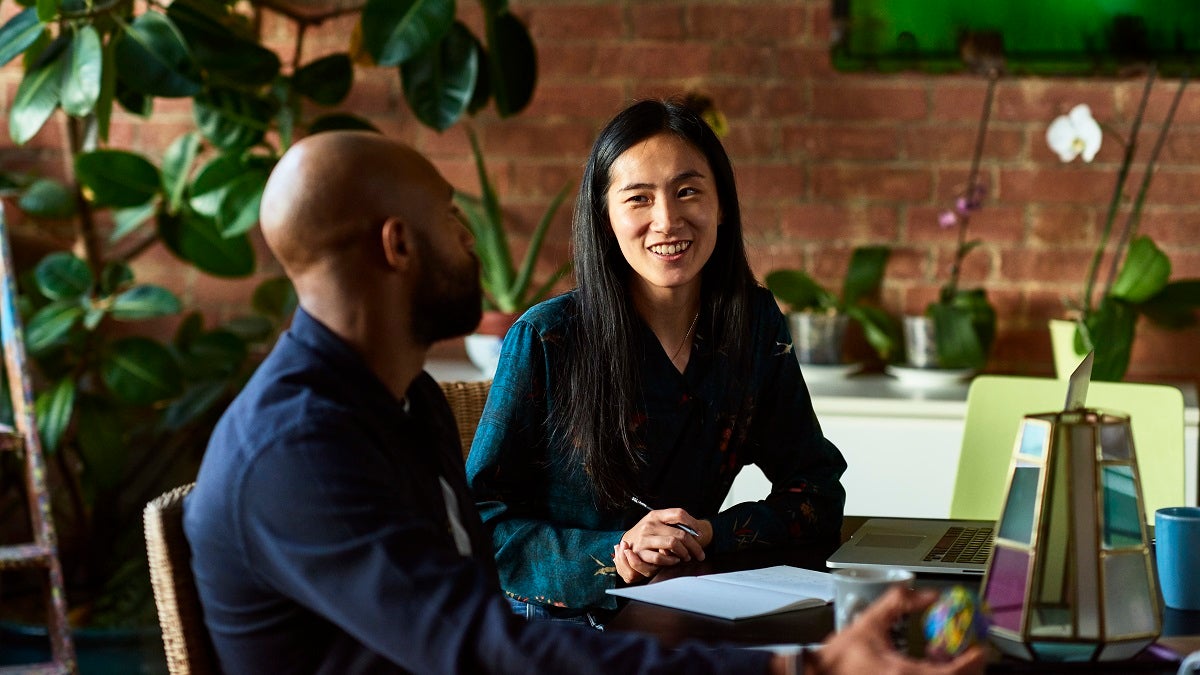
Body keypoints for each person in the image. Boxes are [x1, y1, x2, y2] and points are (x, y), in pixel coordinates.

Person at [182, 129, 984, 675]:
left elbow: (474, 620)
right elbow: (479, 642)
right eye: (452, 217)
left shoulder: (403, 402)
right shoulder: (298, 453)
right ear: (397, 244)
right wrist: (798, 665)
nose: (469, 238)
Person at [466, 99, 847, 622]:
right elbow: (478, 525)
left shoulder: (750, 322)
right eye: (638, 199)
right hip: (560, 629)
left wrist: (709, 532)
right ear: (605, 219)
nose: (667, 220)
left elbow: (817, 491)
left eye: (687, 191)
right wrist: (617, 552)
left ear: (722, 205)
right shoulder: (548, 337)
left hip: (693, 612)